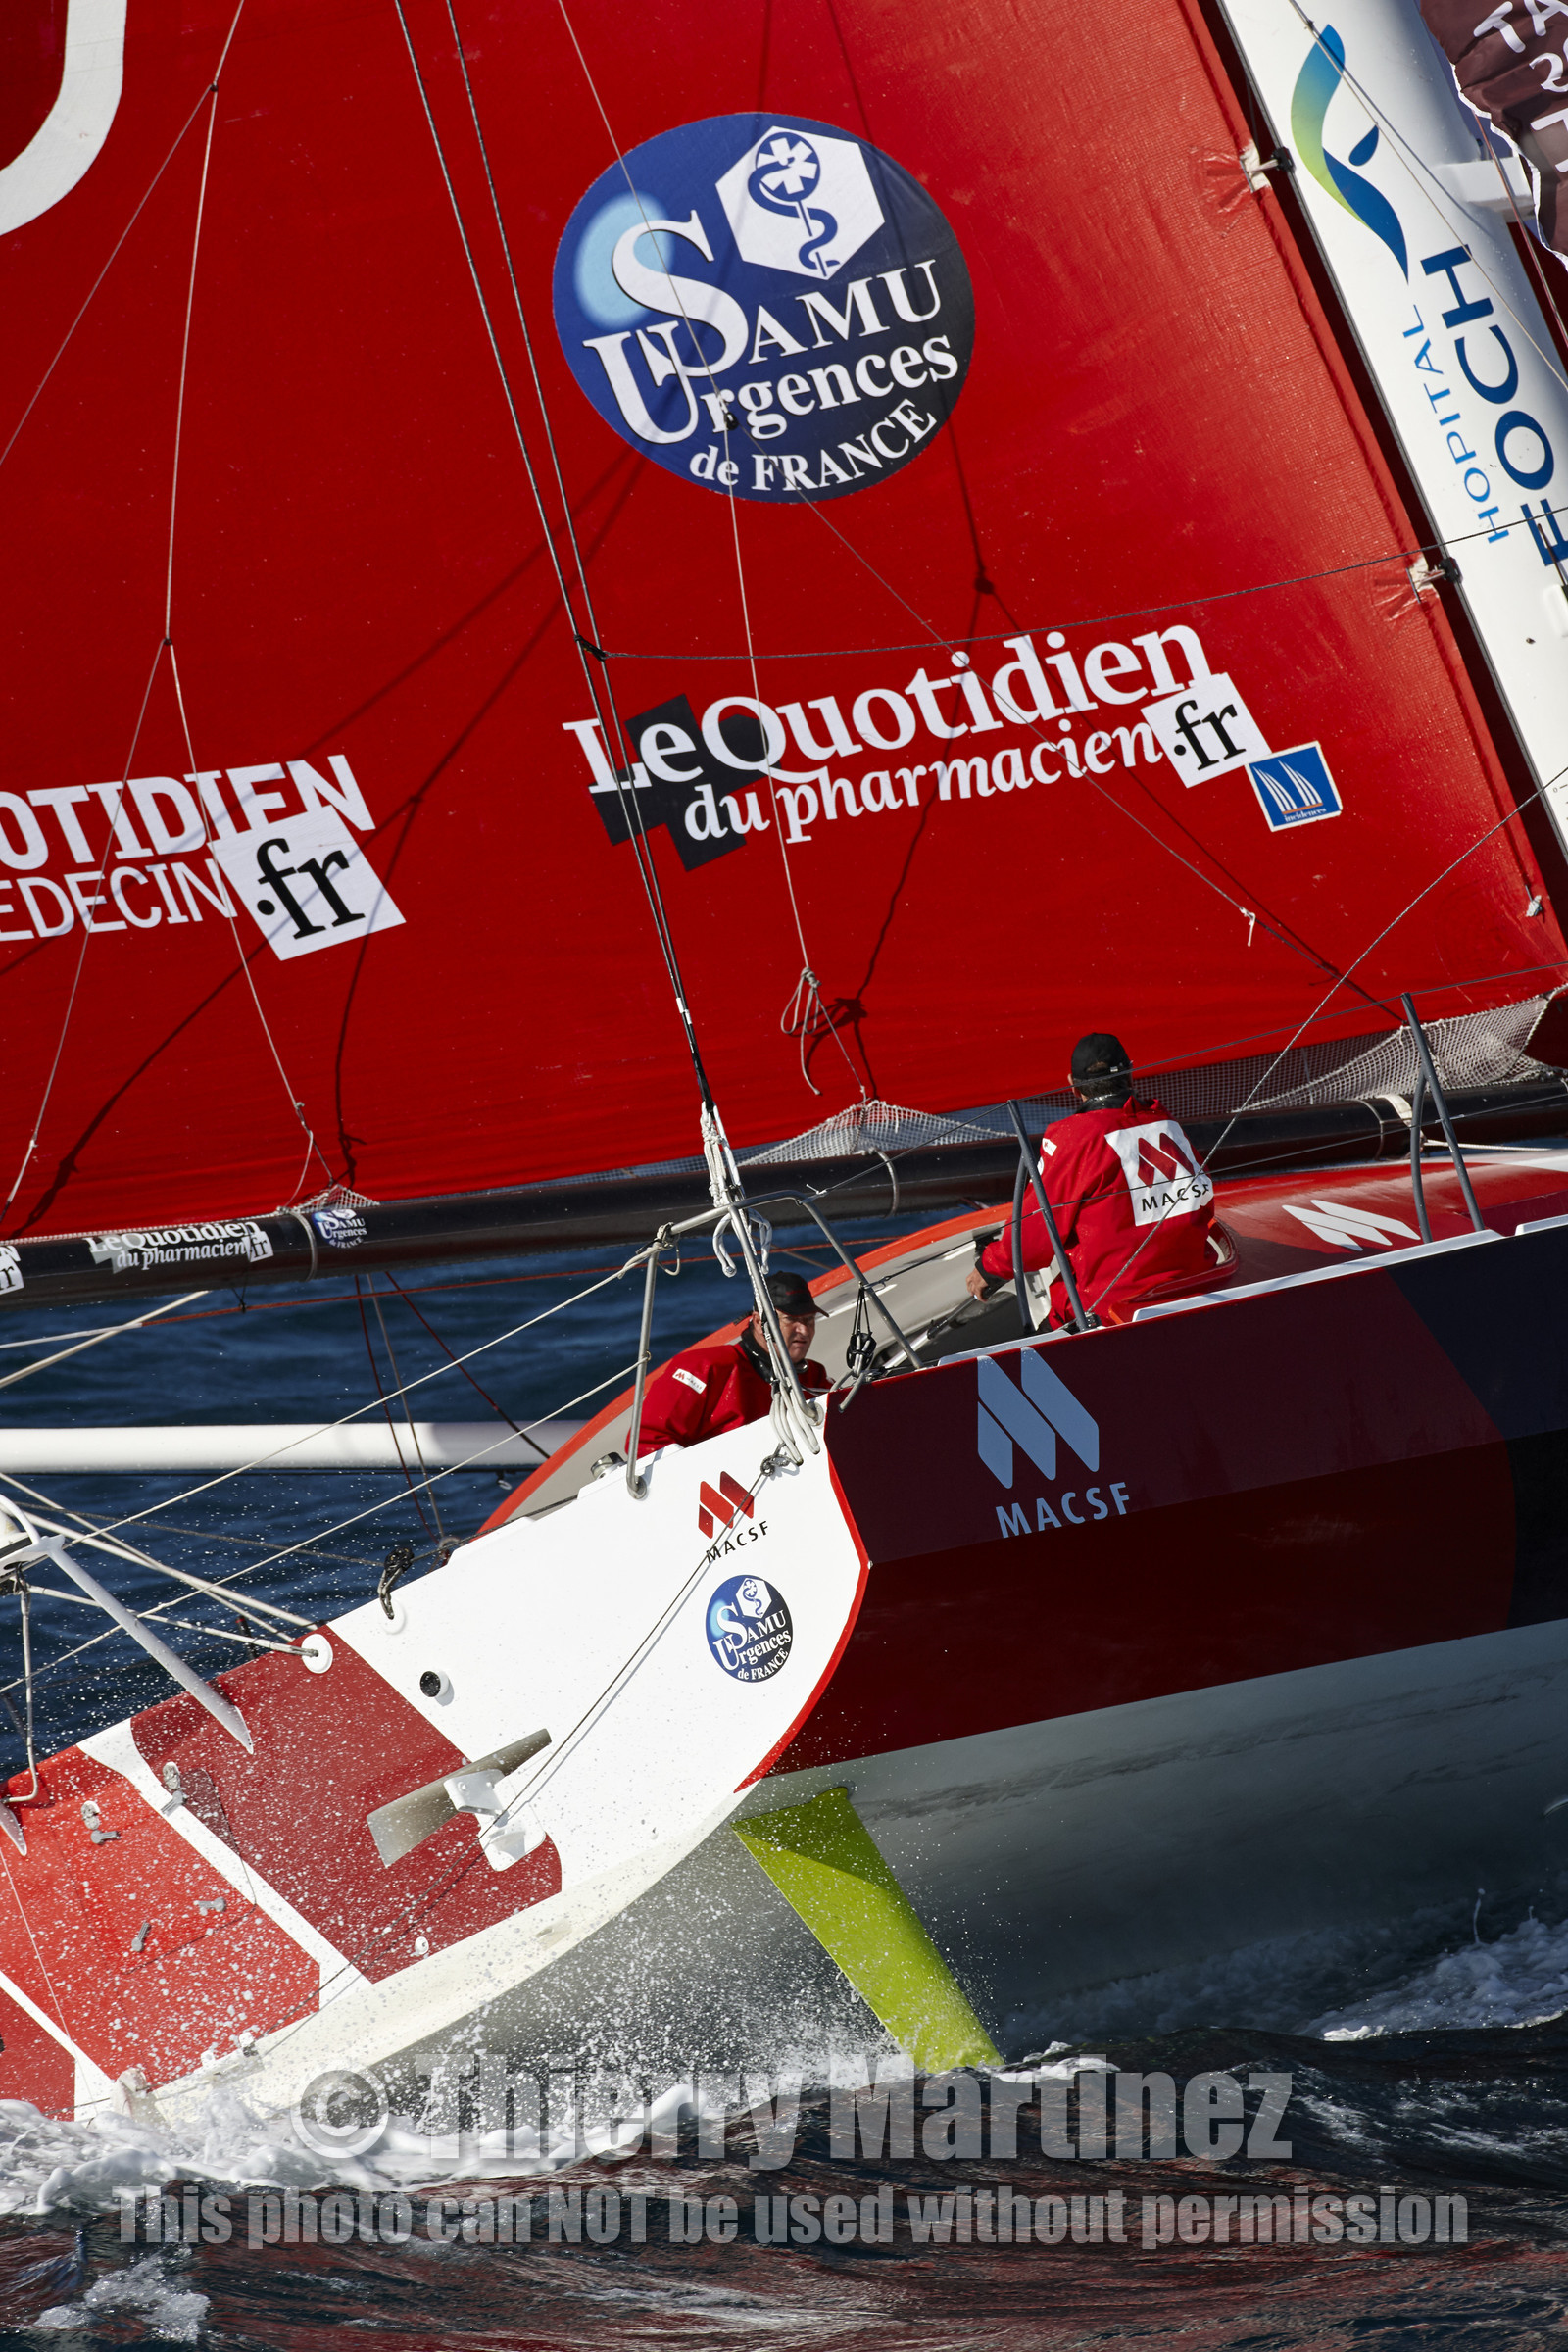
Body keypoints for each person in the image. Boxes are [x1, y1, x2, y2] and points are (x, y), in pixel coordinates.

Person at [966, 1032, 1218, 1327]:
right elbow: (1204, 1203)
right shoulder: (1166, 1124)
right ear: (1131, 1073)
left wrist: (990, 1267)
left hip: (1109, 1312)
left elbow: (1033, 1241)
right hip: (1196, 1290)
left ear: (1073, 1085)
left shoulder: (1075, 1137)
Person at [633, 1269, 831, 1455]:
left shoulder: (814, 1377)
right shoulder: (705, 1369)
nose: (804, 1330)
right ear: (758, 1322)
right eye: (791, 1319)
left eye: (809, 1320)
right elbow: (648, 1442)